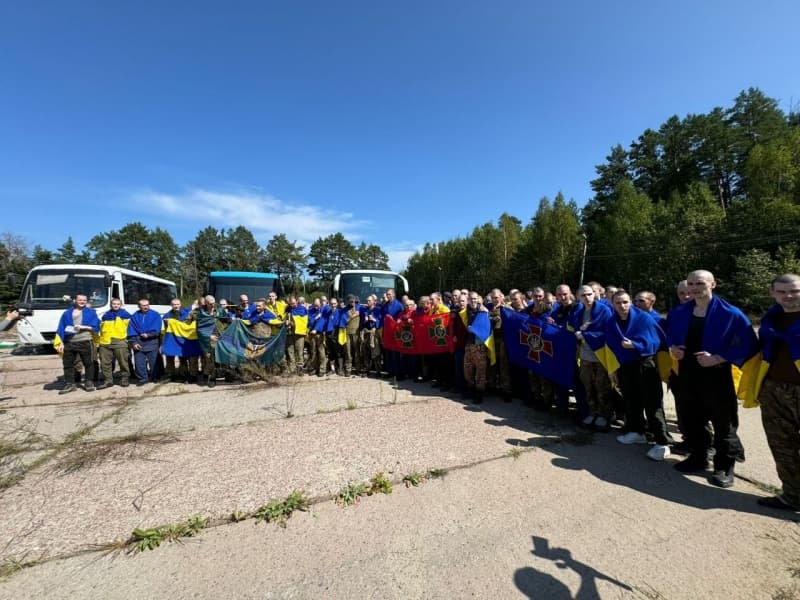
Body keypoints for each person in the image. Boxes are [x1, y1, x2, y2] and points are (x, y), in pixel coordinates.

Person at [667, 270, 757, 487]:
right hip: (687, 372)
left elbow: (748, 344)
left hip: (716, 374)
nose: (694, 288)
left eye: (699, 283)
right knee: (691, 418)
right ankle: (698, 457)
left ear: (713, 284)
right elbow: (669, 334)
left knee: (723, 423)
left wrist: (720, 357)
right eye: (691, 284)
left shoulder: (731, 313)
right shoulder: (680, 311)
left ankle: (724, 466)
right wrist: (674, 349)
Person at [750, 274, 800, 511]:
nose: (788, 296)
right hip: (773, 388)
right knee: (781, 445)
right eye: (781, 292)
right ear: (772, 293)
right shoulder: (771, 318)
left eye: (794, 291)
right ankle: (792, 495)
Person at [608, 291, 673, 461]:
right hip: (625, 365)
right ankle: (636, 431)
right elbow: (610, 341)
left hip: (645, 363)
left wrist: (635, 345)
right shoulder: (612, 321)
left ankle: (662, 442)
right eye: (618, 303)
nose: (622, 306)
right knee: (631, 399)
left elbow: (656, 341)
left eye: (625, 302)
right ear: (613, 304)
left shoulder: (644, 318)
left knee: (652, 403)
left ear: (630, 302)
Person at [570, 285, 614, 431]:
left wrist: (586, 335)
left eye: (589, 294)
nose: (587, 297)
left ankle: (604, 415)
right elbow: (573, 327)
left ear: (594, 294)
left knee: (602, 386)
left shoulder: (604, 310)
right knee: (588, 385)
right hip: (584, 355)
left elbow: (609, 332)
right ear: (578, 297)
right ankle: (593, 411)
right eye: (583, 295)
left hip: (600, 354)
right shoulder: (578, 312)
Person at [54, 294, 100, 394]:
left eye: (84, 300)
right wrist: (60, 342)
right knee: (68, 364)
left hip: (86, 341)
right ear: (75, 300)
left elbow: (96, 326)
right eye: (80, 300)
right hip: (69, 342)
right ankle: (70, 384)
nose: (82, 302)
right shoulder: (66, 313)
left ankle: (89, 382)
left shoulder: (91, 313)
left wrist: (83, 327)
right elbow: (61, 328)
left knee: (89, 363)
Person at [463, 291, 491, 404]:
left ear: (478, 299)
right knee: (467, 369)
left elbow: (486, 328)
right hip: (469, 344)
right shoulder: (466, 311)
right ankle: (470, 389)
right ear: (468, 299)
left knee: (480, 371)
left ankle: (479, 393)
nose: (473, 301)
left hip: (479, 345)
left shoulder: (483, 311)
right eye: (471, 299)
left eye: (475, 299)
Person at [97, 298, 132, 388]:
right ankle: (108, 380)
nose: (115, 305)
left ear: (121, 305)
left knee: (123, 362)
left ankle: (125, 379)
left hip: (120, 341)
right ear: (111, 305)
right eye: (114, 304)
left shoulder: (126, 315)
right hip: (105, 341)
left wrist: (128, 340)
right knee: (105, 363)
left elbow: (130, 329)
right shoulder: (105, 315)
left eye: (117, 304)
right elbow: (101, 328)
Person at [128, 298, 163, 385]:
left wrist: (149, 335)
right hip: (138, 342)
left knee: (154, 361)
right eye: (143, 305)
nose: (146, 307)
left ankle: (155, 377)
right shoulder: (134, 316)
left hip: (152, 341)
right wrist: (133, 342)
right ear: (139, 306)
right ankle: (142, 378)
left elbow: (157, 328)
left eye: (147, 305)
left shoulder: (155, 315)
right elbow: (131, 329)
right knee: (139, 362)